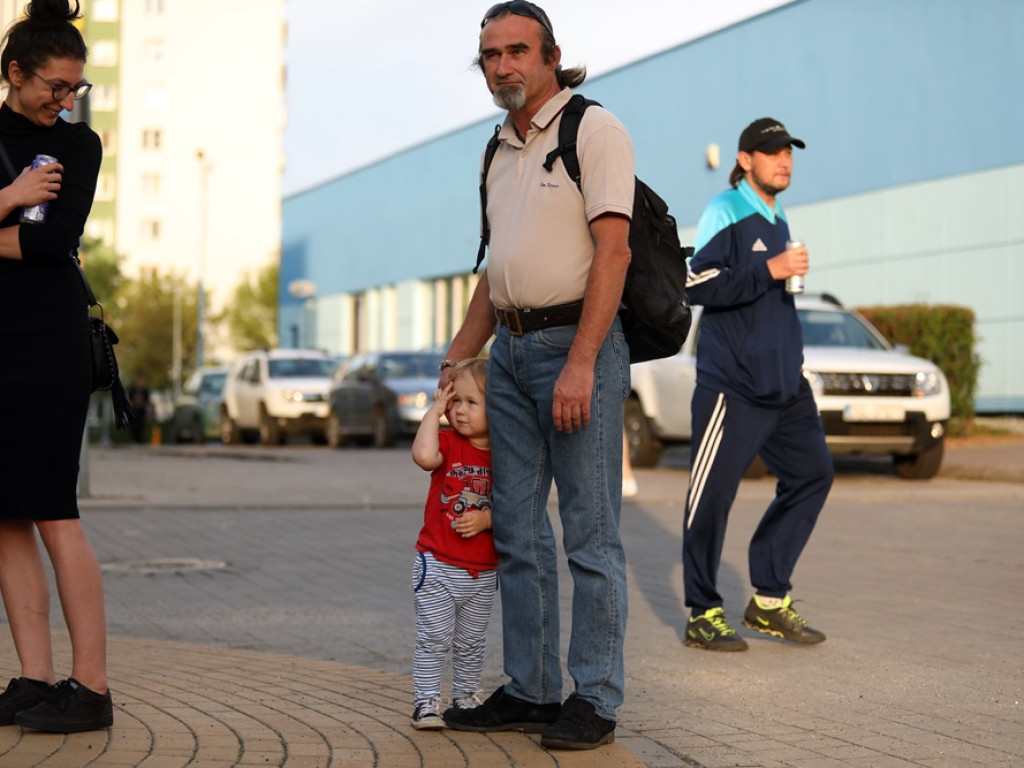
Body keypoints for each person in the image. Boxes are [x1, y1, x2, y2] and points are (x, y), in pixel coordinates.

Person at [440, 1, 633, 750]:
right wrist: (458, 361)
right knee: (517, 530)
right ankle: (531, 688)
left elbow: (611, 255)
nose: (503, 66)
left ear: (551, 55)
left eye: (517, 50)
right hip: (510, 357)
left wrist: (583, 362)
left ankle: (596, 697)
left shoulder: (594, 129)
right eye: (490, 55)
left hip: (573, 346)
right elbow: (495, 274)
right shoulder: (497, 150)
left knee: (589, 535)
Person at [0, 0, 113, 732]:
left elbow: (51, 245)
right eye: (54, 86)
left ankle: (93, 689)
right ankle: (35, 679)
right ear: (14, 74)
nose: (65, 100)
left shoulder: (80, 146)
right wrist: (9, 199)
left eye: (74, 88)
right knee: (4, 516)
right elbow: (28, 231)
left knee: (52, 510)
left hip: (49, 344)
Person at [681, 117, 834, 652]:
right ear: (745, 160)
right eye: (772, 153)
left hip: (785, 387)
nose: (784, 161)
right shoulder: (725, 210)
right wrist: (769, 270)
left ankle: (769, 600)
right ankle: (702, 612)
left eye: (789, 152)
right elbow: (694, 283)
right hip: (734, 386)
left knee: (814, 473)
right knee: (713, 498)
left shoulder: (778, 213)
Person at [409, 358, 497, 730]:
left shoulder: (506, 455)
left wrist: (487, 519)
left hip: (483, 571)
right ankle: (426, 701)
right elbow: (423, 456)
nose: (460, 410)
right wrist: (434, 412)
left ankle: (465, 696)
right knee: (434, 638)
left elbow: (511, 505)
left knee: (471, 643)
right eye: (455, 402)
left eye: (471, 402)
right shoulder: (447, 442)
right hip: (439, 564)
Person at [128, 372, 151, 444]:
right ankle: (134, 440)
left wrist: (148, 412)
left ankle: (140, 441)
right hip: (134, 409)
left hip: (141, 410)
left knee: (141, 425)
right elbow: (130, 400)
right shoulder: (132, 390)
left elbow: (147, 402)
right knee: (134, 425)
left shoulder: (145, 390)